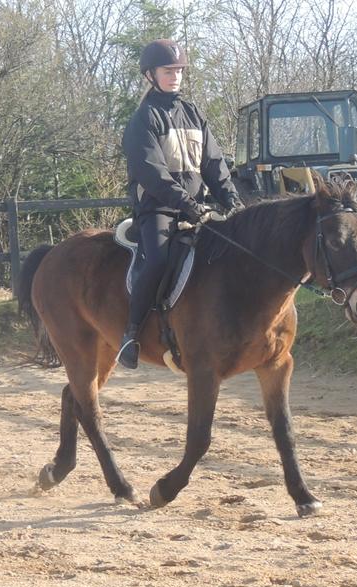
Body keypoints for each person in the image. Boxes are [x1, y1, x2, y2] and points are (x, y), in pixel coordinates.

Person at [117, 38, 243, 369]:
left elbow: (214, 164)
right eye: (167, 71)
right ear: (150, 75)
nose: (175, 76)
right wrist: (188, 204)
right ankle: (131, 332)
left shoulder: (194, 114)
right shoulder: (143, 120)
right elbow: (154, 175)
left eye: (178, 71)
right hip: (159, 209)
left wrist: (231, 199)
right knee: (158, 259)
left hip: (197, 208)